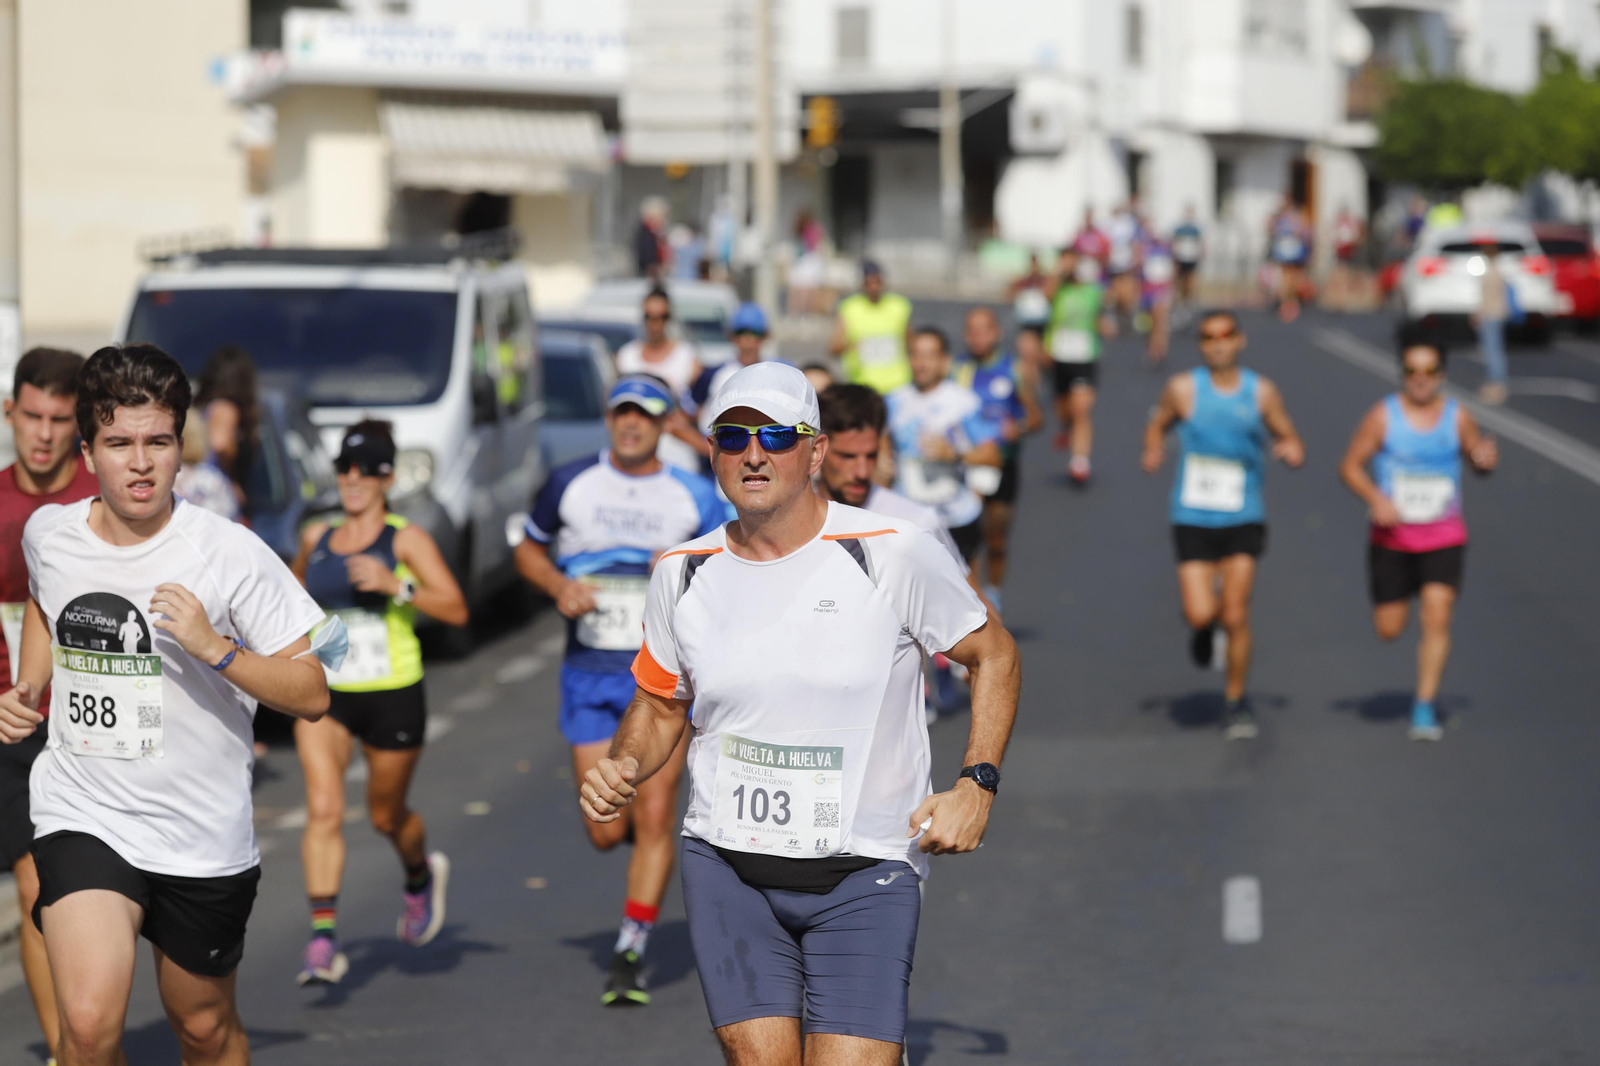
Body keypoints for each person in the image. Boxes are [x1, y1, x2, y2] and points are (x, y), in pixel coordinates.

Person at [581, 361, 1020, 1064]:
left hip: (865, 871)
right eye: (733, 437)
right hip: (727, 865)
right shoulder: (682, 571)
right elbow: (661, 701)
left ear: (814, 451)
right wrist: (623, 764)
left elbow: (993, 654)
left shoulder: (891, 553)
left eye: (776, 436)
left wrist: (978, 782)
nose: (753, 454)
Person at [0, 343, 329, 1066]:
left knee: (204, 1029)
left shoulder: (229, 553)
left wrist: (218, 649)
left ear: (181, 448)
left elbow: (312, 691)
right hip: (85, 810)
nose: (140, 462)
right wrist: (27, 689)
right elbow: (46, 610)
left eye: (157, 442)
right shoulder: (49, 535)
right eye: (119, 443)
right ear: (88, 452)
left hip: (199, 830)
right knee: (85, 1030)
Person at [515, 375, 722, 1005]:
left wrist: (688, 570)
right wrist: (558, 587)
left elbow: (733, 558)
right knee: (604, 824)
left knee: (656, 813)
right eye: (622, 413)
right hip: (588, 675)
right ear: (609, 418)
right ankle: (639, 847)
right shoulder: (570, 482)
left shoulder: (692, 493)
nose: (632, 424)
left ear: (664, 423)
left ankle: (630, 949)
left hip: (661, 683)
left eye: (646, 415)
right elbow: (528, 546)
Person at [288, 421, 469, 985]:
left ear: (388, 478)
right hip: (329, 695)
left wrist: (397, 586)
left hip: (393, 693)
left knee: (386, 815)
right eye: (345, 469)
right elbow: (287, 605)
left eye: (366, 471)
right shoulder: (316, 538)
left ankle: (418, 874)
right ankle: (322, 941)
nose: (353, 480)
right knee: (324, 808)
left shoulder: (405, 538)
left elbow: (456, 609)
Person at [0, 347, 98, 1065]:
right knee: (34, 881)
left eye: (58, 420)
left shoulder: (103, 498)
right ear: (10, 414)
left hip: (100, 721)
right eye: (29, 416)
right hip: (19, 720)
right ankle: (68, 1049)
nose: (41, 434)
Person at [1141, 312, 1305, 739]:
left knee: (1236, 614)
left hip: (1243, 514)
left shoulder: (1260, 391)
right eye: (1208, 337)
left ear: (1239, 341)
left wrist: (1290, 448)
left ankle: (1236, 701)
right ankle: (1203, 628)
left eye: (1225, 336)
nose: (1217, 344)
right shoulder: (1183, 388)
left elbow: (1287, 433)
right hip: (1193, 514)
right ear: (1201, 344)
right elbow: (1157, 424)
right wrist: (1153, 449)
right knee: (1200, 611)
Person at [1338, 331, 1497, 741]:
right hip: (1392, 539)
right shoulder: (1382, 416)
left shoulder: (1457, 416)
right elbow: (1350, 467)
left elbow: (1479, 458)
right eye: (1412, 371)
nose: (1420, 379)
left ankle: (1424, 706)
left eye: (1429, 371)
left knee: (1438, 615)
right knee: (1389, 628)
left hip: (1443, 535)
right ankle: (1399, 603)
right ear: (1402, 374)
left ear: (1442, 375)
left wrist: (1484, 460)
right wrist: (1376, 498)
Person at [886, 327, 1004, 566]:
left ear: (944, 361)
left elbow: (993, 456)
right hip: (907, 519)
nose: (922, 363)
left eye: (930, 356)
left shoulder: (963, 402)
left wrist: (954, 454)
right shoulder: (893, 401)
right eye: (916, 355)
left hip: (955, 519)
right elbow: (882, 456)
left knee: (966, 596)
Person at [953, 307, 1041, 608]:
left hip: (1003, 465)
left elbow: (1036, 418)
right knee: (969, 536)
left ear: (997, 333)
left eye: (984, 330)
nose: (978, 337)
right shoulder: (957, 370)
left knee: (996, 538)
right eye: (972, 331)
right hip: (969, 466)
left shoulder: (1015, 370)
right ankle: (972, 599)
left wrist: (1018, 427)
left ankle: (994, 591)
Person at [616, 287, 705, 471]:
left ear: (669, 318)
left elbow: (701, 412)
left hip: (678, 457)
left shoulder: (687, 358)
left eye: (661, 317)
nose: (655, 324)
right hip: (635, 459)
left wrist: (681, 419)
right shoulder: (626, 358)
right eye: (650, 317)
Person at [1043, 246, 1109, 484]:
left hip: (1084, 358)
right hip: (1059, 357)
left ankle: (1080, 461)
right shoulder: (1059, 290)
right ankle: (1065, 426)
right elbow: (1046, 295)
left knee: (1081, 409)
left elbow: (1102, 313)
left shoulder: (1092, 291)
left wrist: (1105, 327)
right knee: (1064, 408)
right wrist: (1059, 272)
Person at [830, 261, 914, 394]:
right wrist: (853, 346)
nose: (874, 288)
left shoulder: (900, 306)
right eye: (869, 283)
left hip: (897, 384)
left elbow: (911, 343)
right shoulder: (849, 307)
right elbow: (834, 348)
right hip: (862, 385)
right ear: (862, 284)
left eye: (878, 282)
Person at [194, 344, 259, 507]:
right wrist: (232, 478)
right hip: (213, 489)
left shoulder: (202, 407)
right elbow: (220, 444)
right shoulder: (226, 408)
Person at [696, 302, 771, 435]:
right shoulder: (712, 373)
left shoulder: (775, 374)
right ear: (732, 336)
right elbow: (688, 413)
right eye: (741, 332)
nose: (747, 340)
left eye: (755, 333)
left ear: (765, 336)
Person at [1474, 249, 1510, 405]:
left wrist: (1479, 313)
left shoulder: (1492, 273)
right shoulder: (1497, 272)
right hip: (1496, 314)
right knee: (1494, 350)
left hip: (1491, 314)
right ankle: (1496, 383)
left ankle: (1496, 384)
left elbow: (1487, 297)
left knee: (1493, 351)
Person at [1267, 200, 1313, 323]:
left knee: (1292, 276)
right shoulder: (1284, 220)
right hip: (1288, 250)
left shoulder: (1293, 219)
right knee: (1288, 276)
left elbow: (1306, 233)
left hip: (1293, 249)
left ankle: (1289, 302)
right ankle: (1287, 303)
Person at [1329, 204, 1366, 311]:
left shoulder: (1351, 222)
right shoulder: (1339, 222)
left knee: (1351, 274)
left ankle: (1349, 297)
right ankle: (1340, 298)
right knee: (1342, 273)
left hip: (1350, 250)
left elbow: (1358, 234)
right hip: (1342, 251)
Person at [1171, 205, 1205, 313]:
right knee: (1179, 279)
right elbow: (1175, 241)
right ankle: (1179, 299)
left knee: (1190, 279)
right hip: (1181, 257)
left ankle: (1189, 298)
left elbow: (1201, 242)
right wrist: (1175, 255)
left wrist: (1201, 253)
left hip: (1191, 258)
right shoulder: (1180, 228)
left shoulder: (1195, 229)